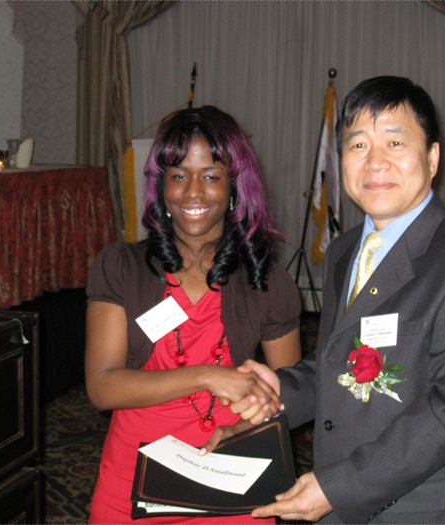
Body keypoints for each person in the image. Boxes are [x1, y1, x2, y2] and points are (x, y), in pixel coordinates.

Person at [227, 76, 445, 523]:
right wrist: (279, 391)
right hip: (341, 493)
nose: (375, 162)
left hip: (425, 510)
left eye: (395, 143)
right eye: (359, 145)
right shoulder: (345, 250)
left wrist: (339, 487)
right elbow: (339, 359)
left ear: (433, 158)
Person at [85, 106, 302, 524]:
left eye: (211, 176)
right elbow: (103, 387)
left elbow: (289, 394)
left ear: (234, 186)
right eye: (179, 175)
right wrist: (207, 375)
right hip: (134, 483)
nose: (193, 193)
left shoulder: (266, 281)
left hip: (231, 478)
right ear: (161, 184)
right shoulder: (122, 268)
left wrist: (242, 431)